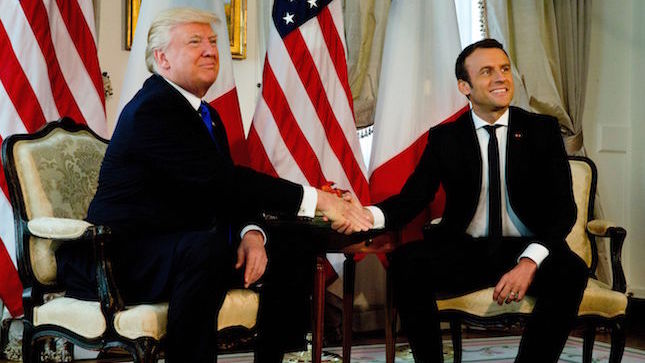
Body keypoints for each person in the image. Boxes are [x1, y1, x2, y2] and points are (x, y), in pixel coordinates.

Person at [55, 7, 371, 363]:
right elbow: (224, 181)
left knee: (292, 239)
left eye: (213, 42)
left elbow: (223, 192)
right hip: (122, 255)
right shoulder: (154, 108)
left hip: (178, 245)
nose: (210, 50)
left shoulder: (207, 115)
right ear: (162, 58)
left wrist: (252, 233)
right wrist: (321, 201)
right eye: (195, 42)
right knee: (207, 248)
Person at [358, 39, 589, 362]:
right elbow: (411, 200)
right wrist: (366, 216)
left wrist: (529, 261)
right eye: (487, 71)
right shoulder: (445, 138)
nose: (500, 78)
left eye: (504, 69)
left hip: (528, 245)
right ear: (464, 86)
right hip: (465, 248)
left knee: (571, 272)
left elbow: (564, 210)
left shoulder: (542, 131)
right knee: (407, 264)